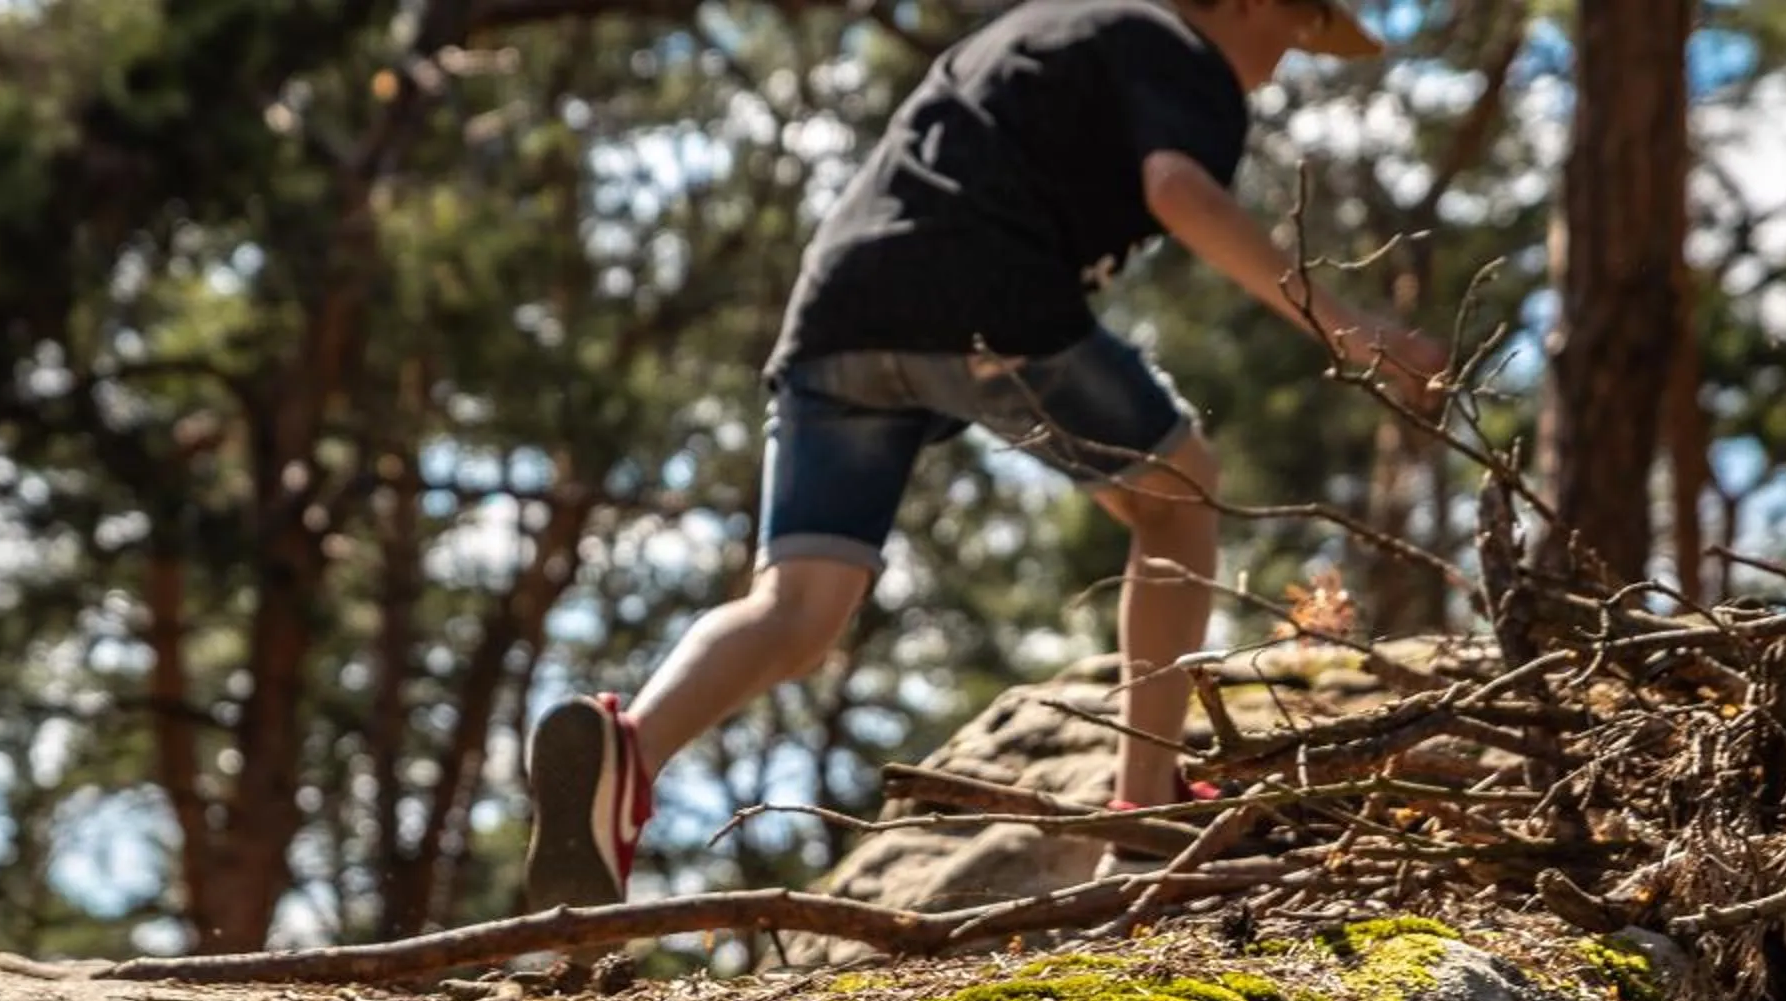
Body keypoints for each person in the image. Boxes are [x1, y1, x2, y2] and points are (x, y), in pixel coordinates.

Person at [521, 0, 1448, 911]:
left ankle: (628, 752)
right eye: (1299, 21)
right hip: (983, 298)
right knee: (1179, 493)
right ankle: (1143, 815)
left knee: (797, 608)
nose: (1292, 54)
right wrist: (1346, 325)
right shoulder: (1171, 46)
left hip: (836, 314)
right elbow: (1178, 188)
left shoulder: (1047, 30)